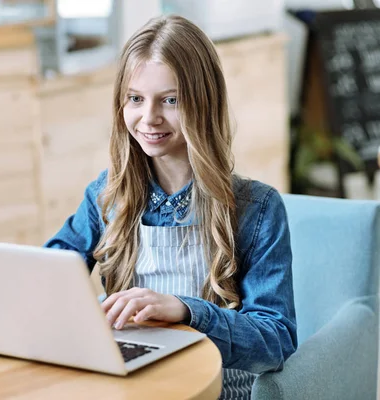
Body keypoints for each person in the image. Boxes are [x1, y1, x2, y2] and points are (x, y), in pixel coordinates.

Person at [44, 14, 297, 399]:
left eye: (171, 100)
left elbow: (274, 342)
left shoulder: (257, 208)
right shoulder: (107, 194)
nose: (149, 118)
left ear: (203, 103)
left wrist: (186, 310)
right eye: (135, 99)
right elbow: (51, 274)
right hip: (129, 388)